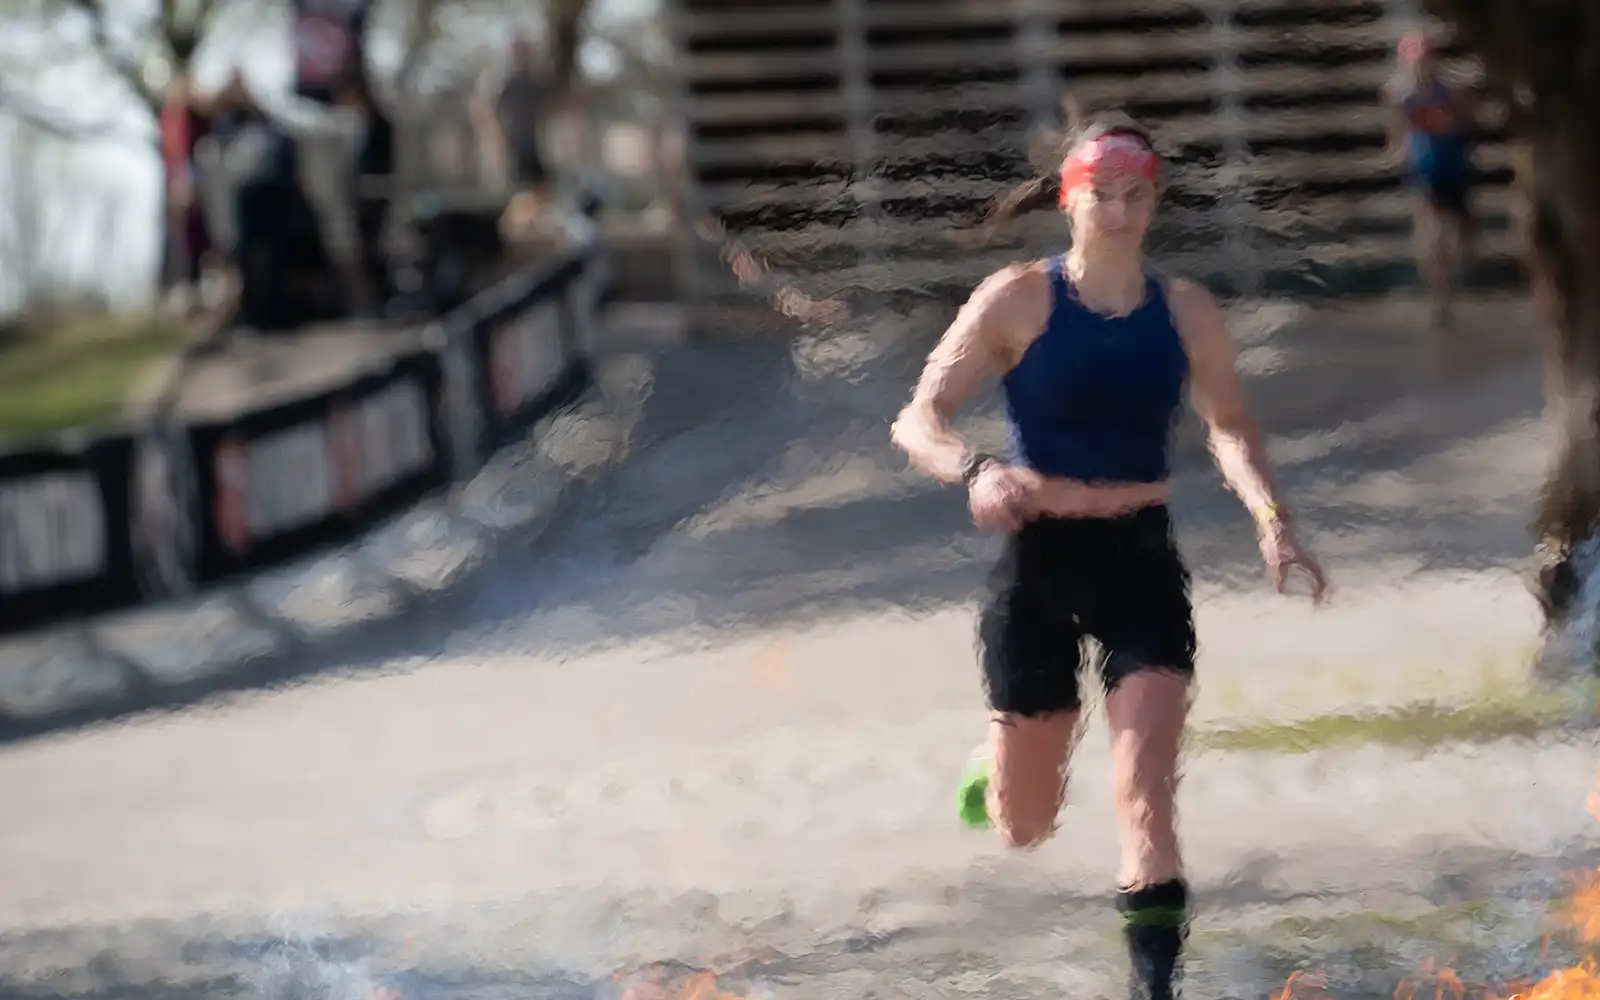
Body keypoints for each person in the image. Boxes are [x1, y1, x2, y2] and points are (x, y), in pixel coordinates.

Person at [889, 111, 1329, 1000]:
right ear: (1069, 198)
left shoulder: (1187, 311)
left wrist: (1271, 517)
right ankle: (997, 760)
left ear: (1154, 199)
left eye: (1137, 196)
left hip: (1141, 561)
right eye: (1103, 196)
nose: (1121, 214)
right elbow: (917, 418)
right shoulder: (1017, 297)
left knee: (1147, 791)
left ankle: (1153, 990)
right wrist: (973, 470)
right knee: (1024, 825)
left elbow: (1231, 427)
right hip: (1038, 558)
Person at [1382, 31, 1481, 328]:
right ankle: (1439, 295)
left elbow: (1470, 121)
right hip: (1424, 173)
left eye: (1423, 61)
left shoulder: (1450, 92)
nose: (1419, 68)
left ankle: (1458, 271)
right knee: (1431, 235)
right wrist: (1397, 152)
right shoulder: (1400, 95)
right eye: (1414, 62)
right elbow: (1395, 131)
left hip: (1455, 168)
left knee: (1465, 239)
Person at [470, 35, 557, 237]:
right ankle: (510, 231)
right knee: (522, 192)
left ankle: (522, 229)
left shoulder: (533, 80)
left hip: (532, 143)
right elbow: (482, 108)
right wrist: (494, 136)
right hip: (512, 144)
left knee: (540, 189)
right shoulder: (501, 79)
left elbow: (555, 101)